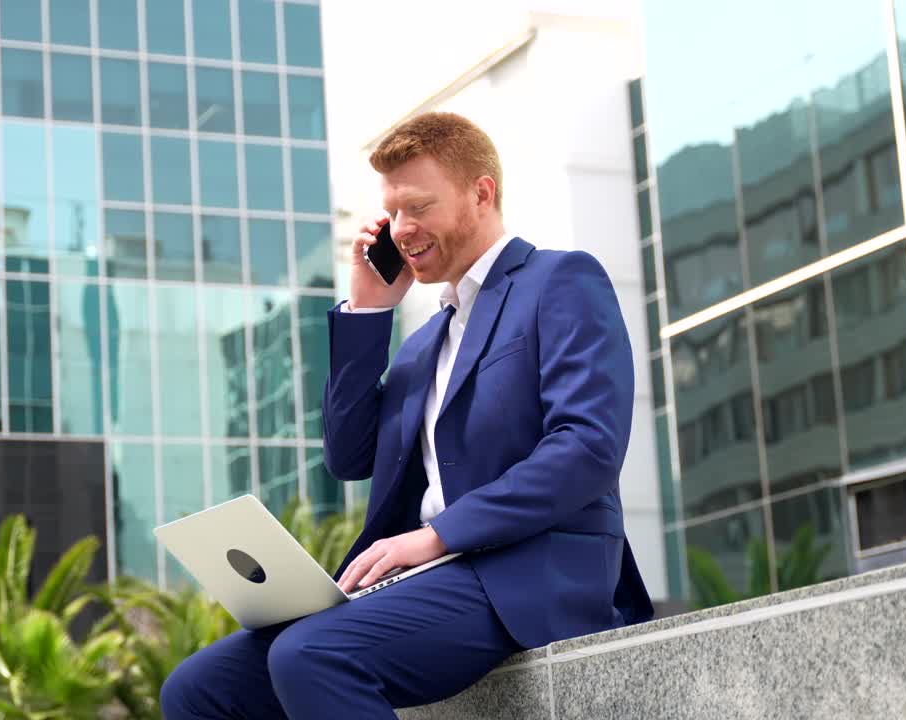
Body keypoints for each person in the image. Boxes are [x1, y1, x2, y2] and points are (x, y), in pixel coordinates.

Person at [160, 112, 653, 720]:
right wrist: (367, 311)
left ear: (481, 192)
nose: (402, 230)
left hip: (526, 572)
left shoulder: (560, 280)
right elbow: (348, 457)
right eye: (393, 213)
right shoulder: (423, 343)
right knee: (196, 689)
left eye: (419, 207)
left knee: (310, 654)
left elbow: (588, 446)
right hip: (429, 579)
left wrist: (437, 536)